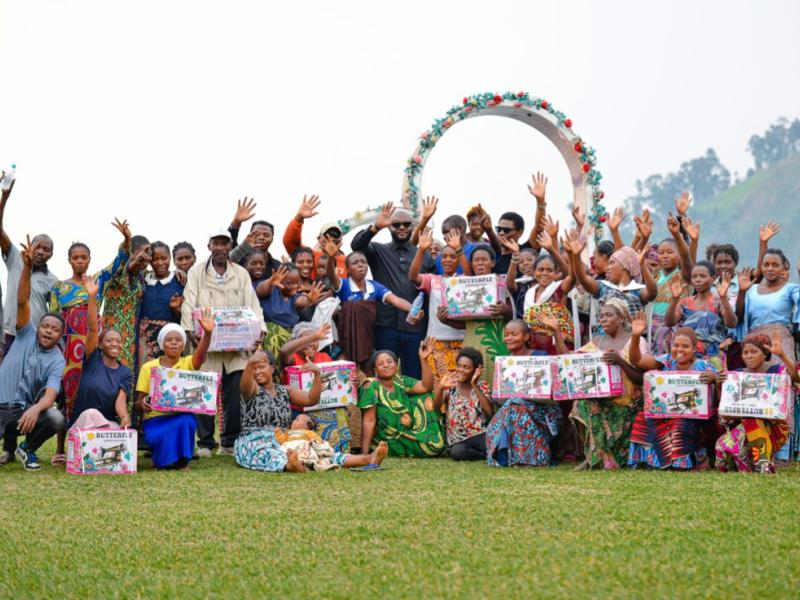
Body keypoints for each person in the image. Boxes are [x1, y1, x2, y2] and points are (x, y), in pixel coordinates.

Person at [48, 223, 131, 464]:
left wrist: (126, 239)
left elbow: (119, 261)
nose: (80, 261)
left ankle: (97, 436)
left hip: (93, 344)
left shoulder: (98, 280)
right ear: (69, 260)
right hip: (68, 348)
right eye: (76, 257)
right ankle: (61, 448)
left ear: (89, 259)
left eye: (84, 257)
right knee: (66, 395)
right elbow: (53, 317)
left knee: (93, 389)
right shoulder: (59, 288)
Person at [181, 228, 267, 457]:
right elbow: (188, 301)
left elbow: (253, 304)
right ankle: (206, 443)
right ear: (209, 246)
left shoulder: (241, 273)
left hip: (236, 344)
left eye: (224, 243)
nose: (220, 248)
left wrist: (260, 330)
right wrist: (191, 331)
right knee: (202, 391)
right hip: (206, 342)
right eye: (216, 243)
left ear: (230, 246)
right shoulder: (197, 272)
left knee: (234, 393)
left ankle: (229, 442)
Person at [0, 237, 66, 470]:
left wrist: (35, 409)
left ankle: (25, 449)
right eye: (45, 326)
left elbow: (50, 395)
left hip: (20, 412)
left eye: (55, 329)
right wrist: (27, 266)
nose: (48, 331)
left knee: (56, 418)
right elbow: (22, 300)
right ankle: (6, 449)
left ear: (60, 335)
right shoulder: (25, 333)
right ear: (38, 326)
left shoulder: (58, 359)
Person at [350, 202, 435, 379]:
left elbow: (433, 291)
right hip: (386, 325)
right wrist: (375, 227)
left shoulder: (424, 255)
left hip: (415, 326)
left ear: (413, 226)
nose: (402, 228)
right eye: (396, 225)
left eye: (406, 224)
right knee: (384, 375)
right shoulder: (378, 251)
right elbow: (357, 246)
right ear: (389, 227)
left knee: (414, 375)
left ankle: (412, 407)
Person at [627, 313, 718, 470]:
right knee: (643, 417)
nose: (679, 350)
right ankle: (651, 461)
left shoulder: (704, 367)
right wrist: (636, 336)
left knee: (681, 423)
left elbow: (717, 391)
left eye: (685, 346)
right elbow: (637, 360)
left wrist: (714, 379)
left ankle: (687, 461)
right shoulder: (668, 360)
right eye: (676, 345)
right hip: (668, 411)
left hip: (695, 417)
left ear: (694, 349)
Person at [570, 299, 647, 470]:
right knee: (581, 403)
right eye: (601, 316)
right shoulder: (596, 342)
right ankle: (595, 456)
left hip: (628, 403)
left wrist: (620, 361)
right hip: (603, 399)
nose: (603, 319)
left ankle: (599, 458)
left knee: (593, 406)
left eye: (609, 315)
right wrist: (556, 334)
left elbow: (642, 378)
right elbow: (571, 361)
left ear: (621, 318)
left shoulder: (635, 341)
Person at [327, 239, 421, 372]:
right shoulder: (344, 285)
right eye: (355, 263)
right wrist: (331, 259)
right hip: (348, 341)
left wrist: (413, 310)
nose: (361, 266)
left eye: (364, 262)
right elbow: (332, 277)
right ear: (348, 269)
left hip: (368, 341)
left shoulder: (374, 286)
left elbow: (396, 300)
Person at [135, 316, 214, 470]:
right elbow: (138, 403)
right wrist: (143, 404)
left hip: (180, 416)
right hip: (155, 421)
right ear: (162, 344)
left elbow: (201, 356)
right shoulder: (148, 367)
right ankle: (160, 458)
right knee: (161, 440)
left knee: (188, 420)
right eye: (169, 339)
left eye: (178, 340)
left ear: (183, 345)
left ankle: (183, 462)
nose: (173, 342)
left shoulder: (187, 363)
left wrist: (208, 334)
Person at [715, 333, 798, 473]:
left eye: (754, 351)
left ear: (765, 353)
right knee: (721, 447)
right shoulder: (738, 374)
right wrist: (719, 386)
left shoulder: (778, 371)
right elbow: (726, 408)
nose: (748, 356)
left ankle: (764, 467)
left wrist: (782, 355)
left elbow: (797, 377)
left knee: (753, 421)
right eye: (745, 352)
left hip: (774, 426)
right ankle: (749, 465)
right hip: (746, 424)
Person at [485, 319, 563, 467]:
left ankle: (527, 456)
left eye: (513, 334)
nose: (508, 338)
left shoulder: (541, 358)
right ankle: (519, 456)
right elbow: (498, 400)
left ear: (527, 337)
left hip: (545, 414)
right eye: (506, 334)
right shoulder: (505, 363)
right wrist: (496, 395)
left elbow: (555, 392)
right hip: (515, 411)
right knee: (514, 404)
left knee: (515, 403)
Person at [234, 350, 321, 473]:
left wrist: (317, 374)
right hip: (254, 441)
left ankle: (354, 459)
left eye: (261, 367)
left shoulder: (285, 391)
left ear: (273, 368)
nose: (257, 372)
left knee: (314, 448)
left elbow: (312, 399)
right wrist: (250, 363)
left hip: (282, 440)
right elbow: (244, 385)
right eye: (254, 368)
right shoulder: (252, 390)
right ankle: (290, 466)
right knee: (268, 453)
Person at [1, 180, 59, 358]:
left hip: (33, 337)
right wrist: (4, 197)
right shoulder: (15, 259)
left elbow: (55, 312)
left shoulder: (53, 280)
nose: (41, 252)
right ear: (30, 246)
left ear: (51, 254)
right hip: (8, 333)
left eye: (46, 249)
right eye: (38, 246)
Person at [357, 341, 445, 457]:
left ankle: (431, 437)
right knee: (434, 447)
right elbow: (369, 420)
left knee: (426, 397)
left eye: (389, 362)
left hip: (409, 429)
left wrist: (423, 359)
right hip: (389, 436)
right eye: (381, 364)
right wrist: (364, 452)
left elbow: (426, 386)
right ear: (375, 370)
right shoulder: (371, 386)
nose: (386, 365)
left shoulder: (400, 380)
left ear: (396, 365)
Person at [67, 277, 132, 429]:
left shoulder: (125, 372)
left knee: (119, 432)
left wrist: (124, 417)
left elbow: (120, 401)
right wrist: (92, 297)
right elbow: (92, 328)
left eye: (118, 341)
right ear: (100, 344)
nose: (114, 344)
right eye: (109, 341)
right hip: (82, 426)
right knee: (91, 414)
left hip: (107, 426)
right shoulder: (93, 358)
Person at [279, 322, 353, 452]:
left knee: (340, 411)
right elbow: (283, 351)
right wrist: (312, 337)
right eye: (307, 339)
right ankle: (309, 450)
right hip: (299, 410)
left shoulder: (324, 357)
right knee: (302, 421)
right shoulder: (292, 358)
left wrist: (350, 382)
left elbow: (336, 385)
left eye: (315, 339)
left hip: (323, 406)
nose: (312, 343)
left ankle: (340, 450)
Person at [408, 228, 466, 383]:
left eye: (453, 257)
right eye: (444, 256)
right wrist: (421, 250)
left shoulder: (463, 280)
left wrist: (459, 249)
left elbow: (471, 275)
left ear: (458, 260)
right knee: (438, 384)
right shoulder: (433, 280)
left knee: (459, 382)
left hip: (460, 339)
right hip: (435, 340)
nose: (448, 260)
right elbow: (413, 276)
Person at [664, 261, 737, 369]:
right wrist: (674, 299)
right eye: (694, 277)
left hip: (712, 357)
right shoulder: (685, 302)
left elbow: (732, 323)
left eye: (703, 276)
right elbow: (669, 322)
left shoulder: (718, 302)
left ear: (713, 278)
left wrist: (723, 298)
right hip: (686, 356)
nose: (698, 279)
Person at [253, 260, 324, 366]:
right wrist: (270, 282)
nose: (294, 286)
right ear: (280, 281)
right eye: (290, 283)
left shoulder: (294, 297)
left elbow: (301, 301)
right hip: (268, 337)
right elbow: (260, 290)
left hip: (288, 339)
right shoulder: (270, 291)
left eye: (297, 282)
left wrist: (309, 300)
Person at [737, 248, 800, 363]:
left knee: (781, 376)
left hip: (780, 341)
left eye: (775, 265)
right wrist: (741, 292)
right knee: (756, 379)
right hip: (754, 345)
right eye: (766, 264)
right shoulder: (751, 290)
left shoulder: (791, 288)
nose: (770, 268)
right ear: (761, 267)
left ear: (783, 268)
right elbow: (738, 318)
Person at [432, 347, 492, 461]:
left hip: (479, 434)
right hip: (458, 439)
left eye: (466, 367)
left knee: (493, 445)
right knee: (457, 453)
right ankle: (484, 456)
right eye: (459, 365)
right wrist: (440, 388)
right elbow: (435, 408)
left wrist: (474, 384)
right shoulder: (451, 384)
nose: (460, 370)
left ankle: (488, 452)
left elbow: (489, 411)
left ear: (476, 369)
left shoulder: (482, 386)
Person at [102, 233, 151, 370]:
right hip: (114, 332)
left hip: (131, 334)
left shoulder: (143, 276)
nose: (146, 257)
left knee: (127, 374)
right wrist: (127, 244)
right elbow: (128, 268)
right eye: (142, 253)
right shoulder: (116, 273)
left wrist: (179, 272)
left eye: (149, 253)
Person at [273, 413, 388, 471]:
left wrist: (318, 446)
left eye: (296, 419)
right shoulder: (288, 433)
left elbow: (319, 442)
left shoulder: (309, 434)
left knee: (336, 457)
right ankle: (296, 465)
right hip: (293, 452)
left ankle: (368, 459)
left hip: (311, 452)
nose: (293, 421)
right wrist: (278, 432)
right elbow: (281, 440)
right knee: (286, 456)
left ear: (305, 426)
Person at [137, 241, 186, 367]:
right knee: (146, 375)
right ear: (149, 261)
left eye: (164, 258)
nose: (160, 263)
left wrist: (176, 309)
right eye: (155, 259)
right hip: (144, 340)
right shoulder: (142, 280)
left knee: (169, 378)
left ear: (170, 258)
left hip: (170, 340)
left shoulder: (179, 281)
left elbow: (185, 317)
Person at [282, 194, 348, 278]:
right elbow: (290, 242)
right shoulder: (309, 255)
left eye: (336, 236)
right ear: (319, 238)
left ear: (340, 240)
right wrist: (298, 218)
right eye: (327, 235)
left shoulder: (347, 261)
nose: (331, 239)